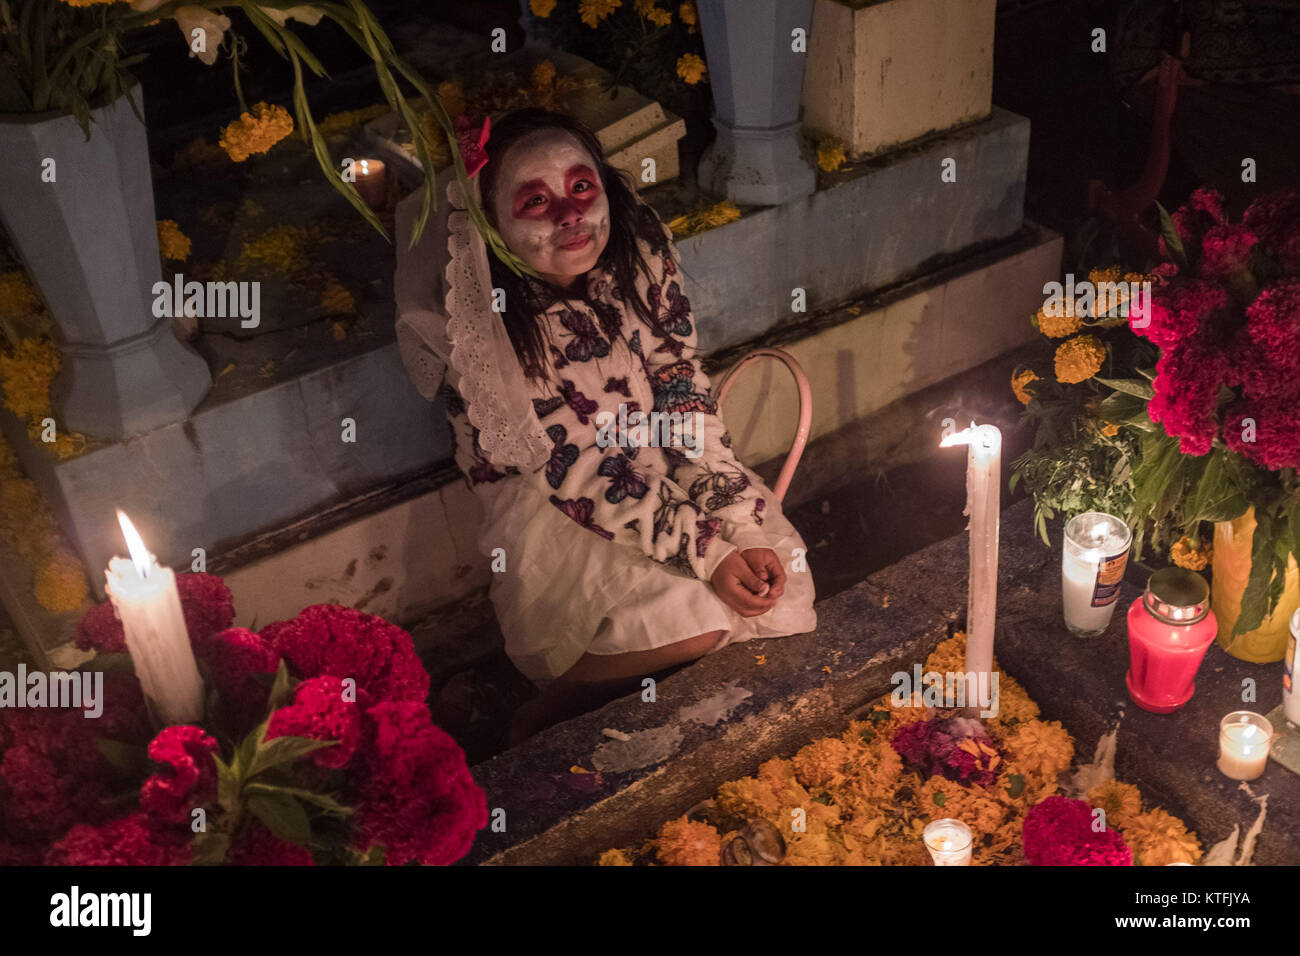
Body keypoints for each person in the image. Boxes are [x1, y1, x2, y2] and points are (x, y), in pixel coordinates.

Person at [395, 107, 816, 744]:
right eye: (536, 200)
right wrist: (709, 552)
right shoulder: (489, 328)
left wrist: (734, 523)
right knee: (694, 614)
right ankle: (549, 710)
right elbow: (577, 470)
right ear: (493, 223)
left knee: (776, 583)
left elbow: (683, 394)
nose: (570, 215)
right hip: (558, 503)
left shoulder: (637, 262)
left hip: (660, 468)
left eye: (581, 187)